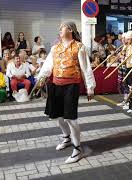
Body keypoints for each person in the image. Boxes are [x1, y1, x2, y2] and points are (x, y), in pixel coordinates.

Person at [37, 21, 96, 164]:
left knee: (70, 118)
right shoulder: (55, 48)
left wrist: (90, 87)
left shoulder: (79, 47)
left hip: (71, 85)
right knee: (57, 116)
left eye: (61, 28)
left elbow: (86, 68)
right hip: (56, 85)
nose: (59, 30)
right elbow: (48, 65)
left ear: (70, 30)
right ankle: (67, 138)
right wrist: (41, 77)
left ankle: (78, 149)